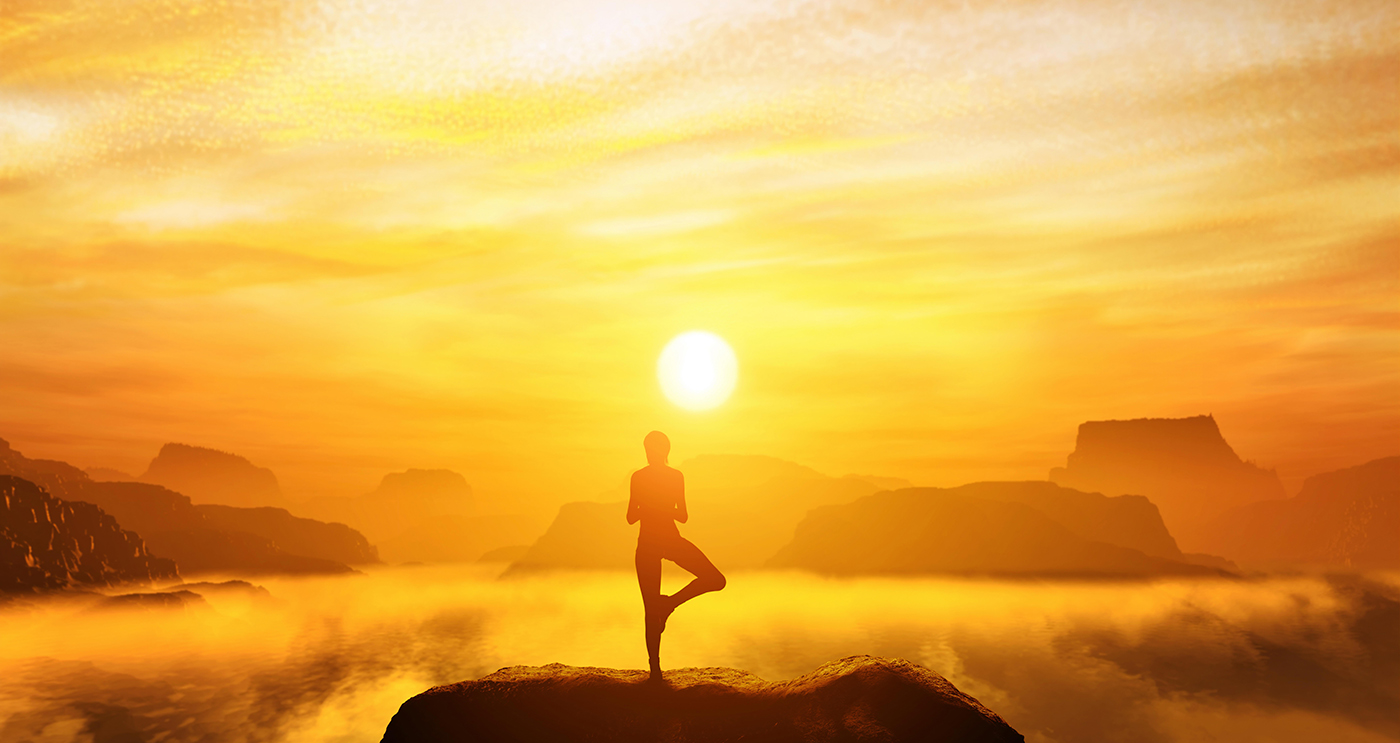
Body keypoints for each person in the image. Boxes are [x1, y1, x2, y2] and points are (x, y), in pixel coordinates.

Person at [628, 431, 726, 680]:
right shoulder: (652, 477)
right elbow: (635, 517)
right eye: (648, 448)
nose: (649, 453)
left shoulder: (661, 477)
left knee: (716, 580)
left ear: (657, 451)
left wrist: (652, 506)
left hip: (665, 540)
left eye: (651, 449)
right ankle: (655, 671)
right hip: (655, 543)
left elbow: (677, 515)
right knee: (651, 609)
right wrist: (654, 505)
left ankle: (669, 604)